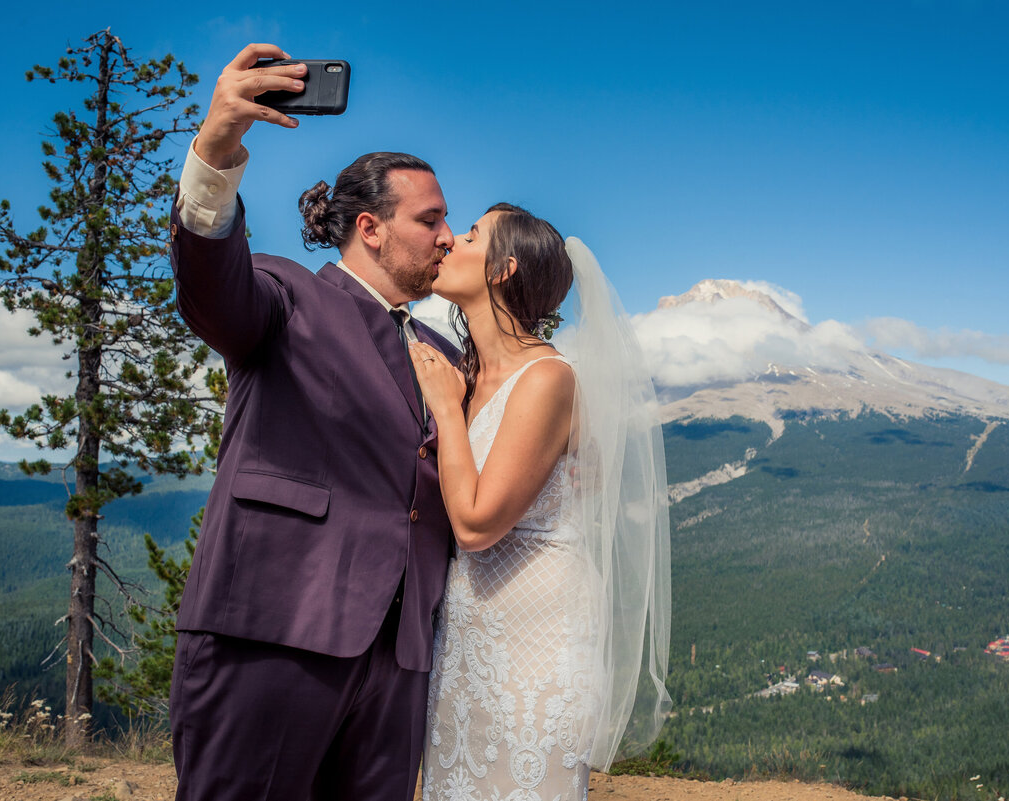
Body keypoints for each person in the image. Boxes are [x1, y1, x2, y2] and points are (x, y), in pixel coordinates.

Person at [167, 44, 459, 801]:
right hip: (274, 630)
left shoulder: (437, 350)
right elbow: (210, 286)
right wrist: (217, 146)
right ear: (369, 227)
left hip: (399, 659)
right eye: (430, 220)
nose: (447, 237)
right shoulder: (283, 293)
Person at [408, 204, 672, 800]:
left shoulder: (548, 377)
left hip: (537, 642)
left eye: (471, 235)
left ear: (503, 268)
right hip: (467, 630)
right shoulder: (466, 374)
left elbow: (475, 525)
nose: (450, 242)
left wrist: (447, 412)